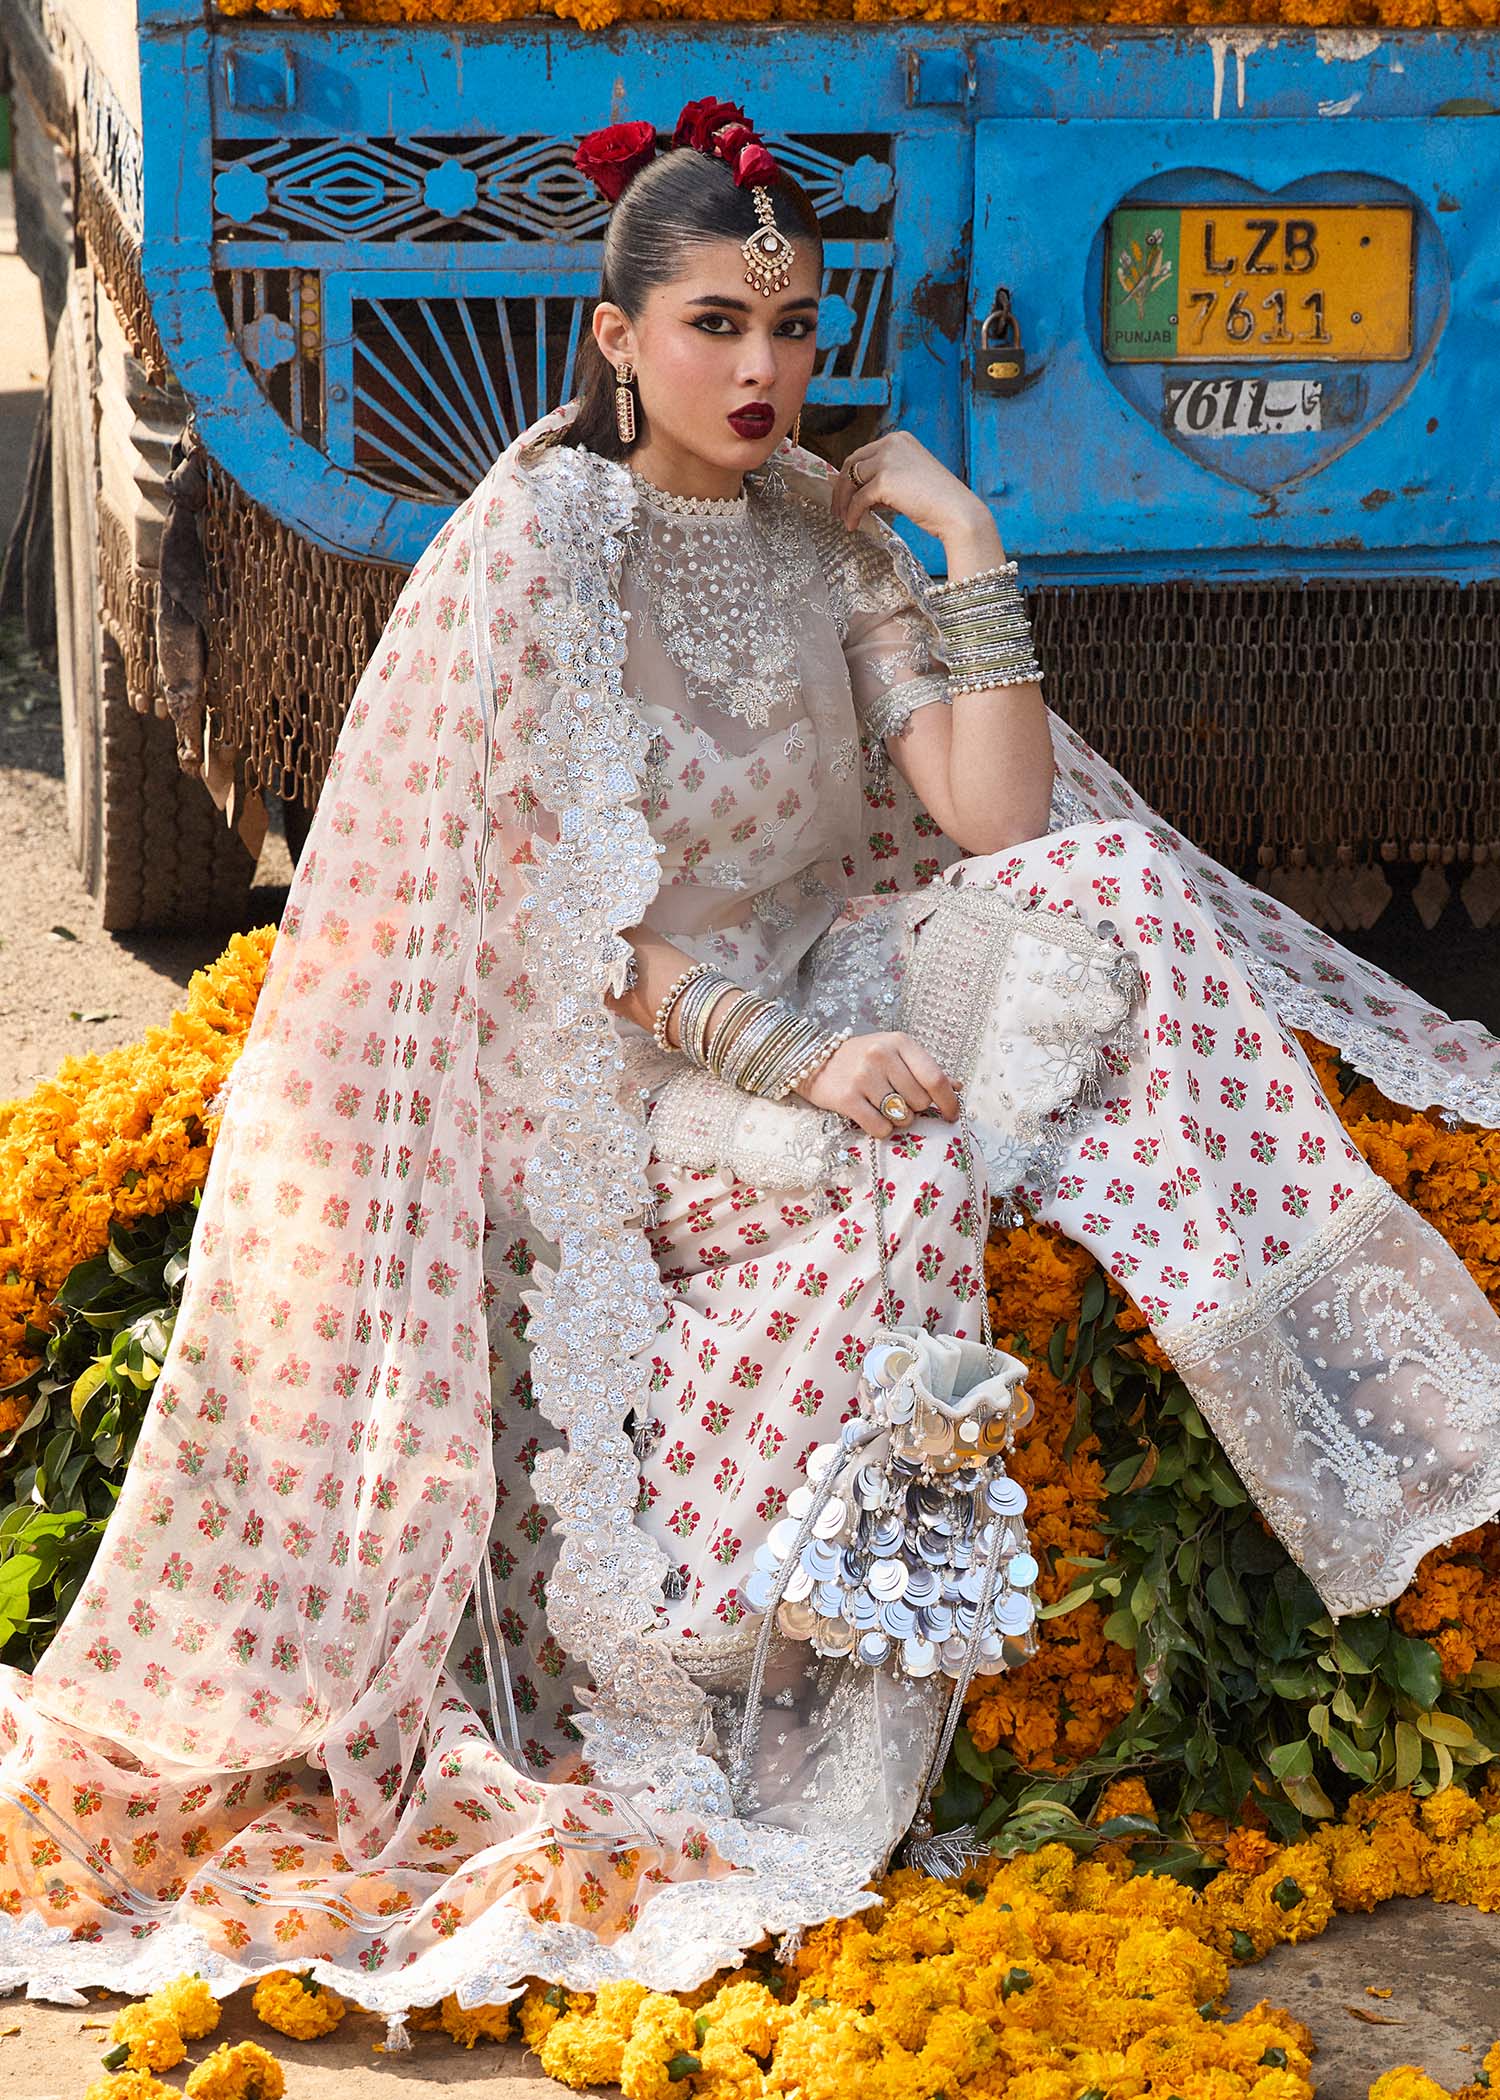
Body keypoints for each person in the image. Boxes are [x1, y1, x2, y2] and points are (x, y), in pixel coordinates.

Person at [4, 92, 1500, 2022]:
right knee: (874, 1171)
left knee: (1110, 889)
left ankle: (1369, 1413)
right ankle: (755, 1697)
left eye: (792, 327)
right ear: (616, 338)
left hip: (818, 982)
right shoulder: (546, 545)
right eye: (717, 323)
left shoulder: (828, 530)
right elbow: (552, 920)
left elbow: (996, 818)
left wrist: (960, 543)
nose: (765, 366)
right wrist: (798, 1062)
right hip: (613, 1059)